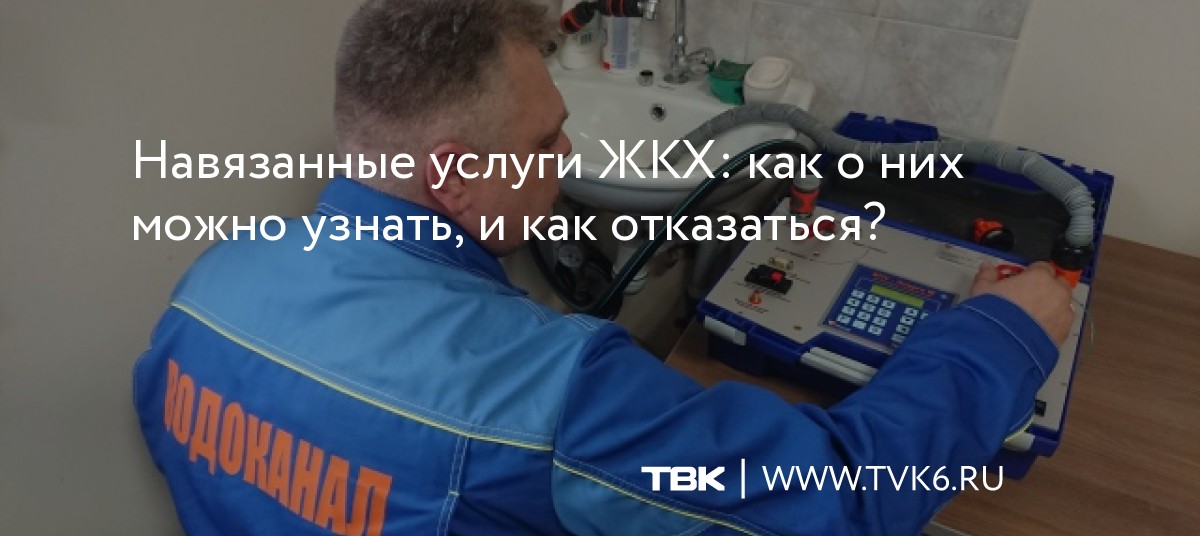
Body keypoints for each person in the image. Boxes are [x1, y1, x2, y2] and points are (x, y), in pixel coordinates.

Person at [132, 0, 1076, 534]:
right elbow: (836, 503)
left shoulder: (204, 294)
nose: (567, 157)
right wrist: (1000, 335)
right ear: (454, 175)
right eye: (544, 143)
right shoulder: (551, 393)